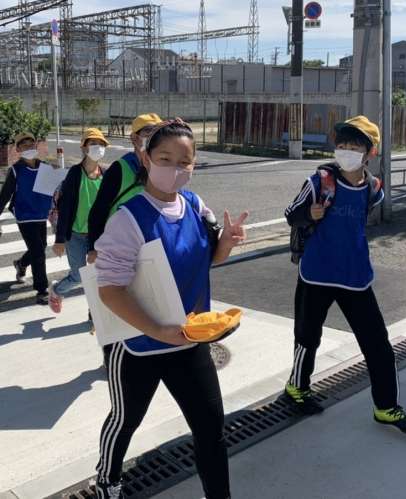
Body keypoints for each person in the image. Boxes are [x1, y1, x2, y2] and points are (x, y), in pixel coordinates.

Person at [94, 119, 248, 499]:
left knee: (211, 428)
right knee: (125, 420)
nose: (175, 169)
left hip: (187, 340)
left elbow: (208, 258)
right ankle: (107, 481)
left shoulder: (195, 206)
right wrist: (156, 330)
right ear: (146, 159)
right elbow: (110, 291)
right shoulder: (128, 218)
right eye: (165, 159)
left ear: (194, 165)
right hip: (137, 346)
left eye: (184, 162)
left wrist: (225, 243)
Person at [283, 115, 406, 434]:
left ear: (370, 153)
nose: (346, 150)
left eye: (355, 146)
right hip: (317, 274)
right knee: (307, 337)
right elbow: (291, 215)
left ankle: (387, 407)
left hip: (356, 276)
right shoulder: (319, 182)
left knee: (378, 344)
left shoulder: (373, 188)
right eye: (342, 144)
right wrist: (309, 213)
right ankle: (297, 388)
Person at [48, 128, 110, 314]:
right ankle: (57, 290)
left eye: (101, 144)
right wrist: (60, 240)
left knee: (100, 277)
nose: (98, 147)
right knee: (78, 276)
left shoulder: (105, 175)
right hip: (75, 235)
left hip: (97, 236)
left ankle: (95, 314)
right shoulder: (75, 173)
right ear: (84, 148)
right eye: (93, 143)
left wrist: (98, 244)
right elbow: (65, 208)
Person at [87, 113, 162, 264]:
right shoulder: (119, 168)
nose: (154, 136)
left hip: (152, 243)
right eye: (149, 131)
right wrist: (93, 247)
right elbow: (99, 210)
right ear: (134, 138)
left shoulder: (163, 168)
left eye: (158, 132)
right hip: (120, 245)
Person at [0, 132, 52, 304]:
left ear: (35, 146)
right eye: (24, 145)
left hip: (40, 215)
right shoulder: (16, 170)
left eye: (31, 144)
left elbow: (52, 191)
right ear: (18, 149)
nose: (29, 147)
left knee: (41, 247)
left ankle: (21, 264)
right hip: (24, 216)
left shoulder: (45, 167)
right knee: (38, 252)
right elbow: (4, 196)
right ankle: (42, 290)